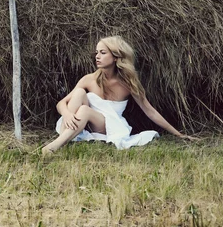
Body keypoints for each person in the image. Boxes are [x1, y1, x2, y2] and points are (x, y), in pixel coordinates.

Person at [42, 36, 197, 154]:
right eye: (96, 53)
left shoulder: (128, 84)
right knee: (79, 92)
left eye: (103, 53)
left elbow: (149, 111)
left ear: (116, 57)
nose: (97, 56)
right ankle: (62, 138)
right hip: (77, 122)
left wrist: (178, 134)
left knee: (84, 110)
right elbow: (61, 103)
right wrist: (68, 114)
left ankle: (53, 147)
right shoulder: (89, 79)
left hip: (109, 125)